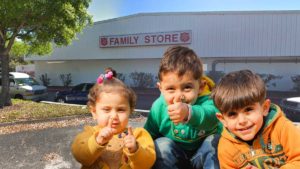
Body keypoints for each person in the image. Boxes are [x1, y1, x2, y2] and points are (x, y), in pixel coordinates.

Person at [144, 45, 221, 169]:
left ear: (201, 86)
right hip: (175, 159)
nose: (179, 96)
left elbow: (212, 117)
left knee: (214, 141)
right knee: (161, 145)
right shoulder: (158, 107)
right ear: (161, 88)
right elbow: (149, 134)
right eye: (170, 89)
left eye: (187, 87)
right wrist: (136, 145)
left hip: (201, 158)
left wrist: (189, 113)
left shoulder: (209, 101)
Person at [211, 69, 300, 169]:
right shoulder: (226, 147)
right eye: (232, 114)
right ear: (223, 120)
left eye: (248, 109)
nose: (242, 121)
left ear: (265, 108)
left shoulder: (283, 128)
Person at [71, 71, 156, 169]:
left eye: (121, 110)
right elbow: (80, 156)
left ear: (130, 111)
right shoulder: (89, 133)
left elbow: (147, 163)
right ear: (94, 112)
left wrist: (136, 149)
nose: (114, 116)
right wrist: (97, 141)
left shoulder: (138, 135)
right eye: (107, 110)